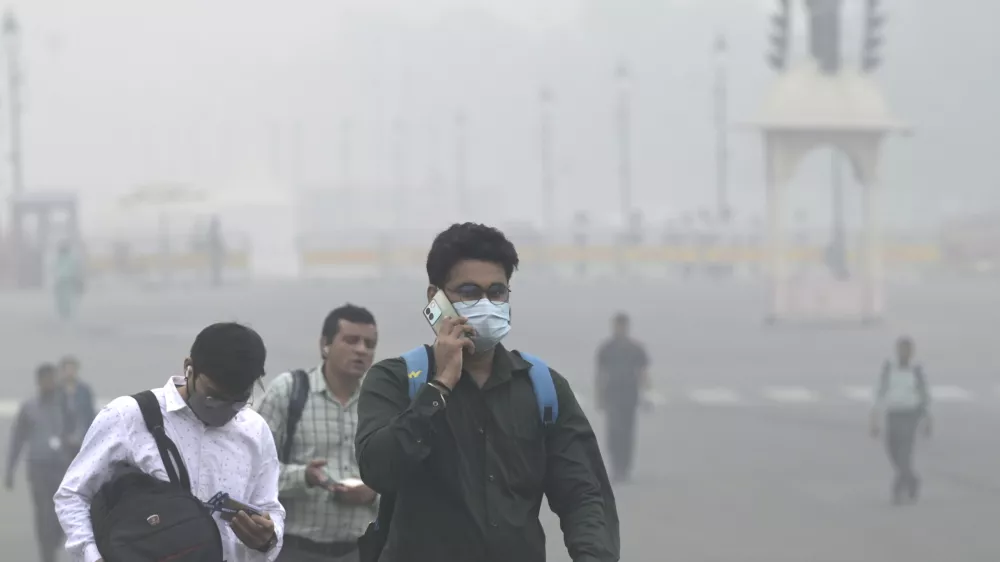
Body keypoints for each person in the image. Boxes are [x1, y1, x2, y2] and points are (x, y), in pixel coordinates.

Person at [356, 222, 620, 562]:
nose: (485, 303)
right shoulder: (395, 380)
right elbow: (379, 470)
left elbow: (583, 494)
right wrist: (439, 387)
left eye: (496, 292)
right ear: (435, 299)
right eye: (468, 292)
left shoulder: (543, 388)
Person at [54, 322, 286, 561]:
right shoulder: (129, 417)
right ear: (189, 368)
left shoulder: (255, 432)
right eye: (212, 398)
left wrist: (267, 540)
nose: (225, 411)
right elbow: (73, 495)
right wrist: (93, 556)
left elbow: (270, 508)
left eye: (238, 402)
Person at [256, 304, 379, 562]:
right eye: (351, 340)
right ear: (325, 344)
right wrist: (305, 477)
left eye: (369, 344)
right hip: (296, 549)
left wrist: (373, 493)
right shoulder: (289, 392)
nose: (361, 350)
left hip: (362, 551)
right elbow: (251, 472)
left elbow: (400, 476)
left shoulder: (379, 404)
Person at [5, 363, 72, 562]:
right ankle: (47, 555)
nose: (49, 384)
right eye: (45, 380)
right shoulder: (29, 408)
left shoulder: (65, 407)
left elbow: (78, 433)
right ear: (39, 382)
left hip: (61, 466)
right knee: (43, 513)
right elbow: (17, 438)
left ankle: (55, 538)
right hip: (38, 467)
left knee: (60, 512)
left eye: (52, 379)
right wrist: (10, 469)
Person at [870, 335, 932, 505]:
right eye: (901, 349)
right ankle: (912, 479)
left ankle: (899, 488)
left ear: (912, 352)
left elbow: (924, 396)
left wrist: (928, 419)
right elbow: (879, 393)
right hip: (893, 414)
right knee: (892, 450)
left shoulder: (916, 370)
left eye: (908, 350)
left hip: (910, 415)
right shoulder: (889, 368)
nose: (904, 353)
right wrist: (874, 418)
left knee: (904, 453)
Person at [595, 312, 649, 484]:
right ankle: (616, 466)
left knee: (628, 432)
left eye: (622, 325)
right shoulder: (606, 348)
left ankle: (625, 467)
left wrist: (646, 395)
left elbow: (642, 373)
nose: (620, 329)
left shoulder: (636, 348)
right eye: (617, 325)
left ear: (627, 327)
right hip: (612, 395)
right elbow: (601, 374)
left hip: (630, 396)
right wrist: (599, 396)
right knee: (613, 431)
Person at [58, 355, 97, 456]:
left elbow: (89, 412)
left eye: (72, 369)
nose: (70, 373)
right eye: (67, 370)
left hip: (81, 436)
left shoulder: (84, 390)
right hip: (63, 438)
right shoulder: (57, 390)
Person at [53, 240, 84, 321]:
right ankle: (65, 313)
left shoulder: (60, 258)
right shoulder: (70, 258)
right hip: (67, 280)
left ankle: (64, 313)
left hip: (62, 280)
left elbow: (57, 270)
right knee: (66, 298)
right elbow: (74, 270)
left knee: (62, 298)